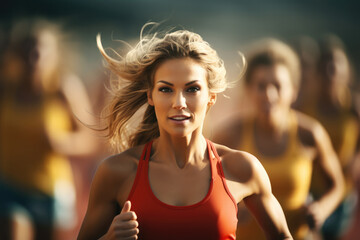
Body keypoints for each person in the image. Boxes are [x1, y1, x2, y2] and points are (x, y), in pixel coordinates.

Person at [78, 25, 293, 240]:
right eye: (165, 89)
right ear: (150, 96)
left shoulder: (242, 168)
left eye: (192, 89)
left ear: (211, 97)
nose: (179, 103)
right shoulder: (117, 172)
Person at [213, 39, 345, 240]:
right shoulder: (230, 135)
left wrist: (321, 209)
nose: (269, 94)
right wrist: (234, 206)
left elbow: (337, 185)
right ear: (249, 89)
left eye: (277, 85)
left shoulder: (309, 134)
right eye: (261, 86)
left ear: (293, 90)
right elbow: (205, 186)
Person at [0, 19, 97, 240]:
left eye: (41, 50)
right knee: (13, 228)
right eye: (28, 49)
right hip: (9, 185)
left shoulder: (62, 90)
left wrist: (62, 143)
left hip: (50, 191)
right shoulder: (6, 88)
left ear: (54, 55)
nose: (35, 56)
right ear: (17, 54)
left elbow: (90, 139)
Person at [295, 35, 360, 240]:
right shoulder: (306, 105)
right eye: (326, 66)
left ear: (346, 69)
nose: (332, 70)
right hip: (311, 188)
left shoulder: (352, 107)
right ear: (319, 72)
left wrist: (355, 158)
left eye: (336, 64)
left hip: (343, 190)